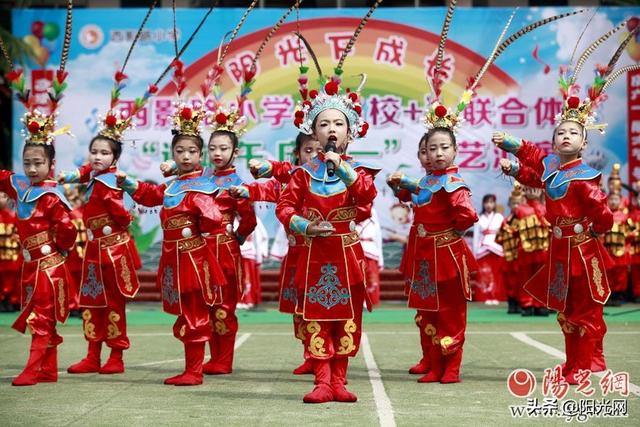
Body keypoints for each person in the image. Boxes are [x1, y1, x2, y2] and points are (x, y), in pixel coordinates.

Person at [492, 24, 636, 382]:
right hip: (559, 249)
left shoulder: (585, 175)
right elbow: (533, 166)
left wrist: (596, 224)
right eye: (560, 132)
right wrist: (511, 153)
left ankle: (587, 364)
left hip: (582, 251)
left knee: (586, 309)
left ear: (584, 143)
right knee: (565, 311)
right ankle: (575, 363)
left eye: (573, 132)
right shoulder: (551, 165)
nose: (565, 136)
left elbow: (603, 217)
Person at [276, 24, 379, 400]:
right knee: (318, 317)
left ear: (350, 133)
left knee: (347, 318)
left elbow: (366, 201)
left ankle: (340, 380)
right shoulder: (303, 173)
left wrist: (345, 168)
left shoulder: (358, 172)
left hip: (347, 251)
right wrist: (302, 225)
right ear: (313, 134)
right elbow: (284, 206)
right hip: (314, 256)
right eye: (324, 124)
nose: (331, 129)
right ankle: (321, 380)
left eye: (338, 123)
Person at [118, 62, 226, 386]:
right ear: (173, 153)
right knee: (184, 310)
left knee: (193, 310)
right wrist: (129, 184)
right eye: (180, 150)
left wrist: (202, 207)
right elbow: (152, 195)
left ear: (200, 154)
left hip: (192, 259)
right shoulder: (172, 186)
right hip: (174, 258)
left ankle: (194, 371)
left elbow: (214, 218)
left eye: (192, 150)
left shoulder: (202, 186)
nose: (186, 156)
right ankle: (190, 368)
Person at [59, 70, 146, 375]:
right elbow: (82, 172)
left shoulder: (112, 183)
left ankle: (116, 358)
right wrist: (67, 175)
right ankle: (92, 355)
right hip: (95, 253)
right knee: (91, 303)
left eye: (104, 153)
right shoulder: (95, 175)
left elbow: (123, 217)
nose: (97, 156)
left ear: (115, 157)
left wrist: (117, 208)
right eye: (94, 151)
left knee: (113, 305)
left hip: (114, 252)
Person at [229, 132, 323, 375]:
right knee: (300, 309)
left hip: (323, 256)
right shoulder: (289, 182)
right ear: (297, 155)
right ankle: (310, 354)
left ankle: (325, 356)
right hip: (297, 255)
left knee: (322, 307)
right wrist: (245, 190)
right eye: (307, 151)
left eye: (317, 150)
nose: (312, 155)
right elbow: (266, 188)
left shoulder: (329, 181)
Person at [472, 194, 505, 305]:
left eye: (491, 202)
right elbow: (476, 236)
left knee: (496, 274)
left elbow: (503, 235)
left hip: (497, 249)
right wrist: (475, 252)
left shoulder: (499, 217)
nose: (489, 205)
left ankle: (496, 296)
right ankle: (484, 296)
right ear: (483, 204)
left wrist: (504, 249)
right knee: (484, 274)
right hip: (482, 250)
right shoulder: (479, 219)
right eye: (486, 202)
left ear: (494, 204)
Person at [0, 191, 22, 312]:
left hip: (11, 256)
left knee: (12, 279)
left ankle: (11, 300)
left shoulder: (14, 217)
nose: (0, 199)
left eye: (3, 196)